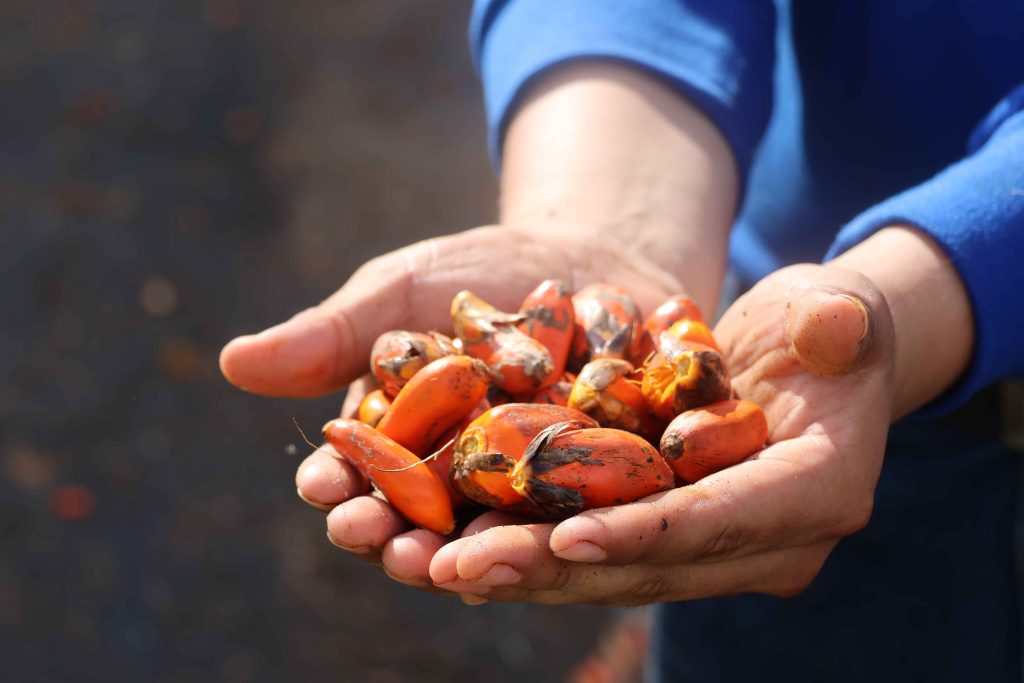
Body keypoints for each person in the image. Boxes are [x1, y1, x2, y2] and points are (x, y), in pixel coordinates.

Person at [220, 1, 1024, 679]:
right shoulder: (638, 380)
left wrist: (953, 272)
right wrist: (604, 218)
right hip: (814, 357)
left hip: (836, 338)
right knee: (774, 610)